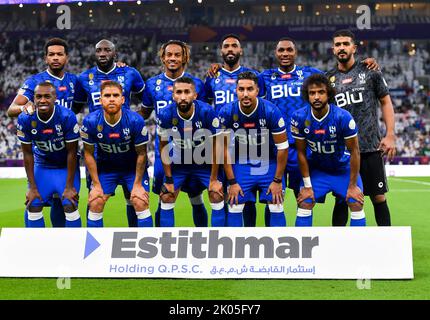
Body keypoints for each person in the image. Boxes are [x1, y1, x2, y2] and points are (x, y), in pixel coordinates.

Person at [73, 39, 146, 227]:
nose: (103, 53)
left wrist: (134, 121)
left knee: (135, 199)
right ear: (95, 53)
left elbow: (147, 101)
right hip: (100, 145)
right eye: (99, 50)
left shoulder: (129, 72)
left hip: (127, 141)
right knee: (94, 200)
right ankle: (94, 250)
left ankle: (137, 239)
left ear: (115, 53)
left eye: (107, 50)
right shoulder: (84, 78)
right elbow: (74, 107)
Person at [327, 29, 396, 226]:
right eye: (338, 44)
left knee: (378, 198)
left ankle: (387, 244)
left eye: (345, 44)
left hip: (369, 148)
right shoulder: (328, 78)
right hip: (343, 152)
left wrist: (390, 135)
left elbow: (386, 102)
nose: (342, 48)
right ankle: (337, 246)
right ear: (333, 49)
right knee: (342, 199)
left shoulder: (370, 71)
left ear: (354, 48)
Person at [8, 38, 78, 227]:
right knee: (34, 203)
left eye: (59, 54)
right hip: (43, 152)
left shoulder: (74, 81)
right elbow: (11, 109)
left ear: (67, 57)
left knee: (63, 202)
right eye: (51, 54)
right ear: (45, 58)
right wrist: (25, 108)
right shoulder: (34, 82)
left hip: (66, 151)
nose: (55, 58)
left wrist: (118, 65)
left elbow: (97, 89)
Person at [140, 40, 208, 227]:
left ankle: (204, 237)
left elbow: (204, 113)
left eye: (177, 54)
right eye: (169, 54)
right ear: (162, 57)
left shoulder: (197, 85)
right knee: (165, 196)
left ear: (184, 57)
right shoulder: (152, 84)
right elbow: (143, 114)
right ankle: (161, 241)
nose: (172, 58)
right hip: (166, 151)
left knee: (196, 195)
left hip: (195, 151)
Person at [291, 74, 366, 226]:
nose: (316, 97)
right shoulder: (299, 117)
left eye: (321, 92)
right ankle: (303, 248)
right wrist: (307, 186)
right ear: (307, 95)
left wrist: (352, 186)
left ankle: (357, 248)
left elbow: (355, 152)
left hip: (342, 169)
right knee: (305, 201)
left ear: (329, 94)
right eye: (312, 93)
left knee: (355, 201)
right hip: (318, 170)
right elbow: (301, 153)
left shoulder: (342, 117)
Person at [204, 33, 262, 227]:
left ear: (240, 51)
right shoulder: (212, 77)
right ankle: (223, 238)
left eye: (234, 46)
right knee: (219, 193)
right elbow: (203, 107)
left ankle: (249, 236)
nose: (230, 49)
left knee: (246, 197)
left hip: (246, 143)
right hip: (220, 142)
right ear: (221, 51)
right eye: (226, 46)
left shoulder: (252, 77)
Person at [219, 71, 288, 227]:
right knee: (235, 203)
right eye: (241, 89)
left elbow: (283, 148)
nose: (245, 94)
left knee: (276, 204)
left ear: (257, 91)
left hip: (268, 162)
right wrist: (232, 182)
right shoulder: (227, 112)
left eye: (250, 89)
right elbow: (222, 150)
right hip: (241, 163)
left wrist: (277, 181)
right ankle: (235, 248)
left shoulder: (271, 111)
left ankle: (279, 247)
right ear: (236, 91)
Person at [81, 81, 152, 228]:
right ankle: (94, 249)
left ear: (123, 99)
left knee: (140, 200)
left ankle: (145, 245)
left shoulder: (135, 120)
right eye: (107, 95)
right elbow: (88, 154)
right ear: (100, 100)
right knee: (95, 201)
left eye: (115, 95)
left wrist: (138, 185)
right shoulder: (90, 121)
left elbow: (141, 154)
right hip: (106, 169)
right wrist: (96, 185)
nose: (111, 99)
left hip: (132, 169)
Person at [157, 77, 224, 227]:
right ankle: (166, 244)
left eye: (187, 92)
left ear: (195, 95)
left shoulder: (207, 112)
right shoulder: (165, 115)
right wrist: (168, 180)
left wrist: (213, 179)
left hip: (204, 164)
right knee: (167, 196)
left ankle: (216, 241)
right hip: (179, 164)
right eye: (178, 92)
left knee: (216, 193)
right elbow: (163, 147)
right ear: (173, 95)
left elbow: (217, 147)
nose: (182, 96)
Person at [16, 82, 81, 228]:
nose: (42, 100)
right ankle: (37, 248)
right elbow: (27, 154)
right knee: (33, 204)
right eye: (38, 97)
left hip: (64, 166)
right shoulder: (25, 118)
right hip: (43, 165)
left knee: (70, 204)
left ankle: (74, 247)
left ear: (55, 98)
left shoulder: (66, 116)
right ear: (33, 98)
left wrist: (69, 186)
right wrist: (31, 187)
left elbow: (72, 152)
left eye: (47, 96)